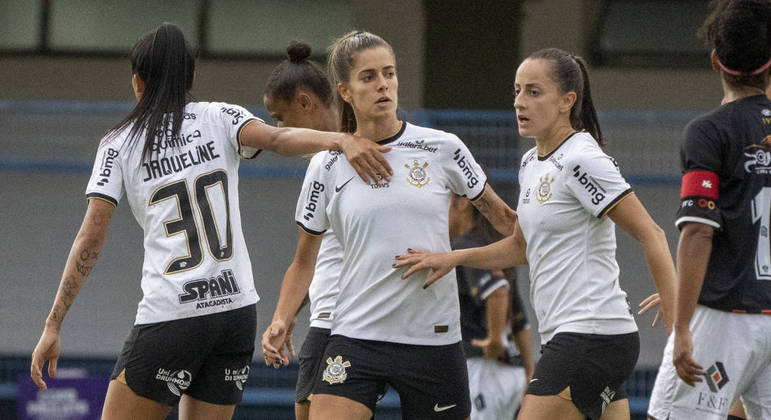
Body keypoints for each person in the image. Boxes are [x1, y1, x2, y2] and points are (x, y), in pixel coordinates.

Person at [28, 22, 392, 420]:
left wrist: (53, 323)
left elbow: (91, 238)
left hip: (173, 315)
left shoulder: (119, 144)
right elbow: (278, 139)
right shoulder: (220, 116)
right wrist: (341, 138)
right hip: (235, 313)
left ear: (137, 82)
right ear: (192, 76)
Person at [395, 47, 678, 420]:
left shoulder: (581, 158)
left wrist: (678, 323)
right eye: (516, 91)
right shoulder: (531, 162)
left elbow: (652, 233)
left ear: (567, 101)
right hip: (585, 339)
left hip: (590, 334)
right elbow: (522, 247)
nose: (519, 102)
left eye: (533, 91)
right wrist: (453, 257)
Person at [261, 30, 517, 420]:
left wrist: (457, 257)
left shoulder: (443, 147)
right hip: (356, 335)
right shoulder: (326, 165)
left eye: (389, 73)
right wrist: (281, 318)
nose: (383, 84)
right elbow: (303, 261)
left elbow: (507, 222)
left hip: (433, 339)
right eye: (369, 77)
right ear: (345, 91)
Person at [645, 0, 771, 419]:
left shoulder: (709, 131)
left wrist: (682, 325)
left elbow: (698, 231)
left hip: (724, 318)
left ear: (716, 59)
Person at [263, 40, 391, 420]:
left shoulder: (347, 156)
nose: (281, 131)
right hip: (336, 318)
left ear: (305, 103)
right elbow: (320, 259)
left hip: (340, 325)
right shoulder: (329, 162)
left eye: (281, 118)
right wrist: (285, 316)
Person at [448, 192, 534, 420]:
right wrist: (528, 367)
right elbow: (519, 317)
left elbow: (498, 291)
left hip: (486, 366)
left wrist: (495, 339)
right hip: (511, 369)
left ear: (462, 203)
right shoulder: (494, 247)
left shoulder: (468, 247)